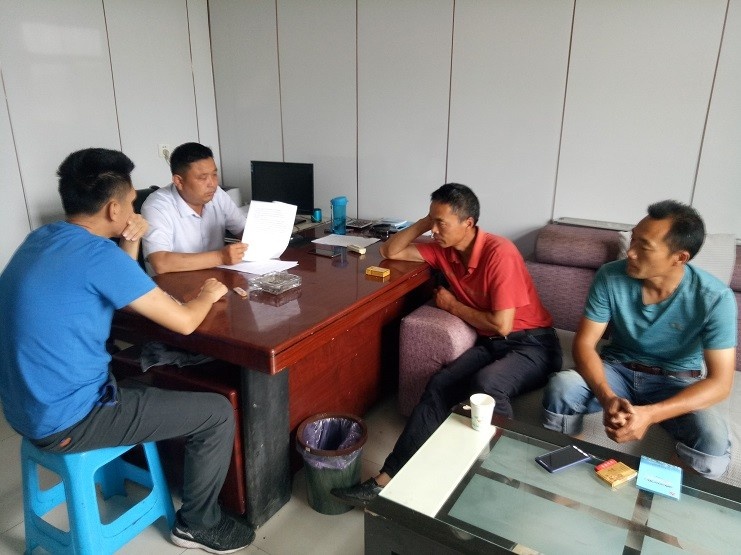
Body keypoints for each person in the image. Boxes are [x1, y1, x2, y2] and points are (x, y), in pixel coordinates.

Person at [0, 148, 254, 553]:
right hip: (70, 421)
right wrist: (207, 294)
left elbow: (114, 287)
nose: (136, 210)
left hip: (23, 409)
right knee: (217, 413)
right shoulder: (97, 255)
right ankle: (197, 524)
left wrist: (129, 241)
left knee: (140, 378)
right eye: (133, 202)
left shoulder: (41, 238)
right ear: (114, 208)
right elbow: (185, 321)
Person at [332, 183, 562, 506]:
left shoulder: (500, 253)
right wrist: (425, 222)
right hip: (495, 344)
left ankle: (504, 480)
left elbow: (502, 324)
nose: (435, 230)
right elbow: (390, 251)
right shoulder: (445, 250)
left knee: (486, 385)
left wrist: (453, 306)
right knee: (439, 383)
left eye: (442, 223)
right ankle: (384, 483)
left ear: (468, 222)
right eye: (432, 221)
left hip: (534, 345)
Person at [541, 200, 737, 479]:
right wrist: (608, 398)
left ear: (679, 258)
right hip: (617, 370)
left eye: (644, 246)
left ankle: (654, 495)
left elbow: (720, 384)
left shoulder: (715, 298)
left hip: (676, 381)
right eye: (633, 239)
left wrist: (651, 414)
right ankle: (566, 476)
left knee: (713, 440)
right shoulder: (610, 276)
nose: (630, 252)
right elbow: (584, 344)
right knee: (563, 386)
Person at [141, 142, 247, 274]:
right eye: (203, 178)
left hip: (216, 277)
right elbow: (160, 262)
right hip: (175, 282)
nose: (212, 184)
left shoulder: (217, 194)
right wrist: (220, 257)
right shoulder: (157, 206)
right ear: (179, 181)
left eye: (214, 175)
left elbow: (243, 230)